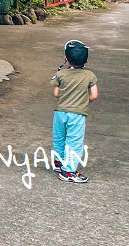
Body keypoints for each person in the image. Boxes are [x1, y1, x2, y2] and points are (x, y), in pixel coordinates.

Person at [51, 39, 98, 184]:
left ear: (66, 58)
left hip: (60, 113)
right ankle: (68, 171)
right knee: (74, 142)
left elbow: (56, 94)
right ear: (87, 60)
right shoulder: (89, 76)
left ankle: (58, 163)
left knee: (59, 138)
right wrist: (82, 101)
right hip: (77, 115)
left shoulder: (61, 74)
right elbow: (94, 95)